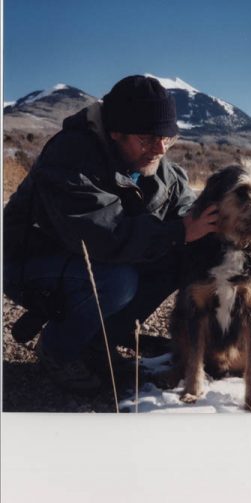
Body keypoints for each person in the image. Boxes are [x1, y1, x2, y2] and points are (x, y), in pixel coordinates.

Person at [3, 75, 218, 394]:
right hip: (28, 263)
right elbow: (103, 237)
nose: (160, 148)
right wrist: (181, 231)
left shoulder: (154, 160)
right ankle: (58, 351)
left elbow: (184, 204)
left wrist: (206, 224)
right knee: (118, 281)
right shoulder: (71, 156)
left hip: (89, 261)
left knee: (176, 255)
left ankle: (96, 342)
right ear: (116, 132)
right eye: (147, 138)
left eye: (167, 138)